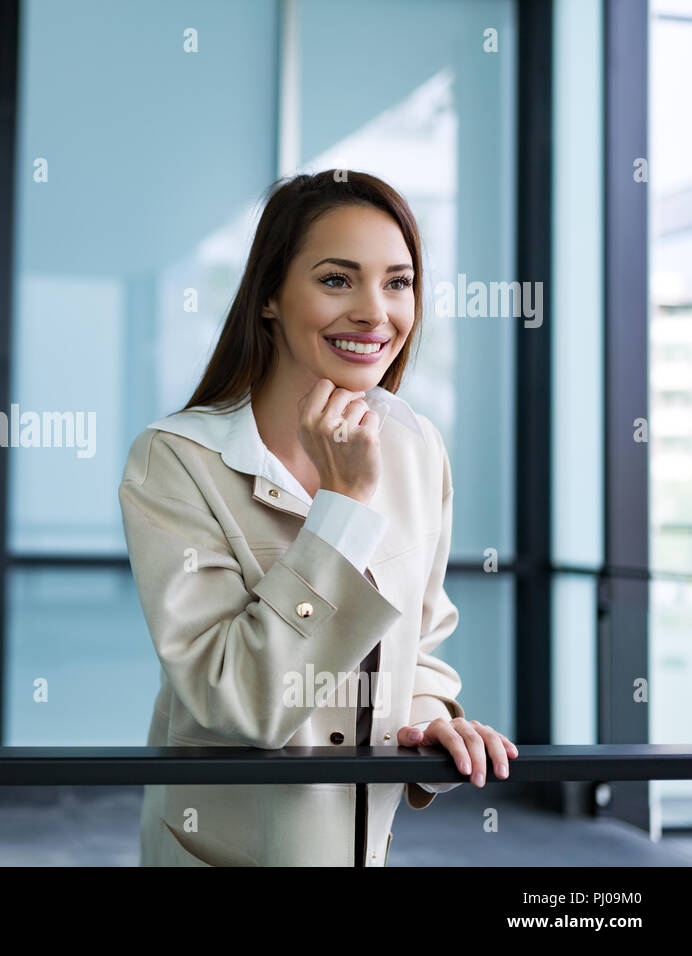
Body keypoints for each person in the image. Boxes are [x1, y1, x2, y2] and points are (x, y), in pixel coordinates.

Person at [119, 169, 517, 866]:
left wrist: (429, 725)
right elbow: (234, 700)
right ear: (269, 296)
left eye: (398, 283)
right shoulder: (176, 460)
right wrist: (340, 507)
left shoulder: (416, 447)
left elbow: (418, 645)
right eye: (337, 280)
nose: (375, 312)